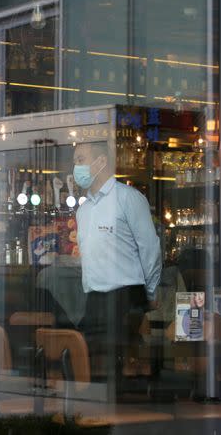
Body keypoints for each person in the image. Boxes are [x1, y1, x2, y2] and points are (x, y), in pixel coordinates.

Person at [73, 141, 161, 392]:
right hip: (94, 298)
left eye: (80, 159)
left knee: (123, 371)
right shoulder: (84, 210)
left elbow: (150, 248)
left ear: (100, 162)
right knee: (97, 371)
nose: (75, 167)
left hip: (126, 295)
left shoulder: (128, 198)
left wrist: (150, 292)